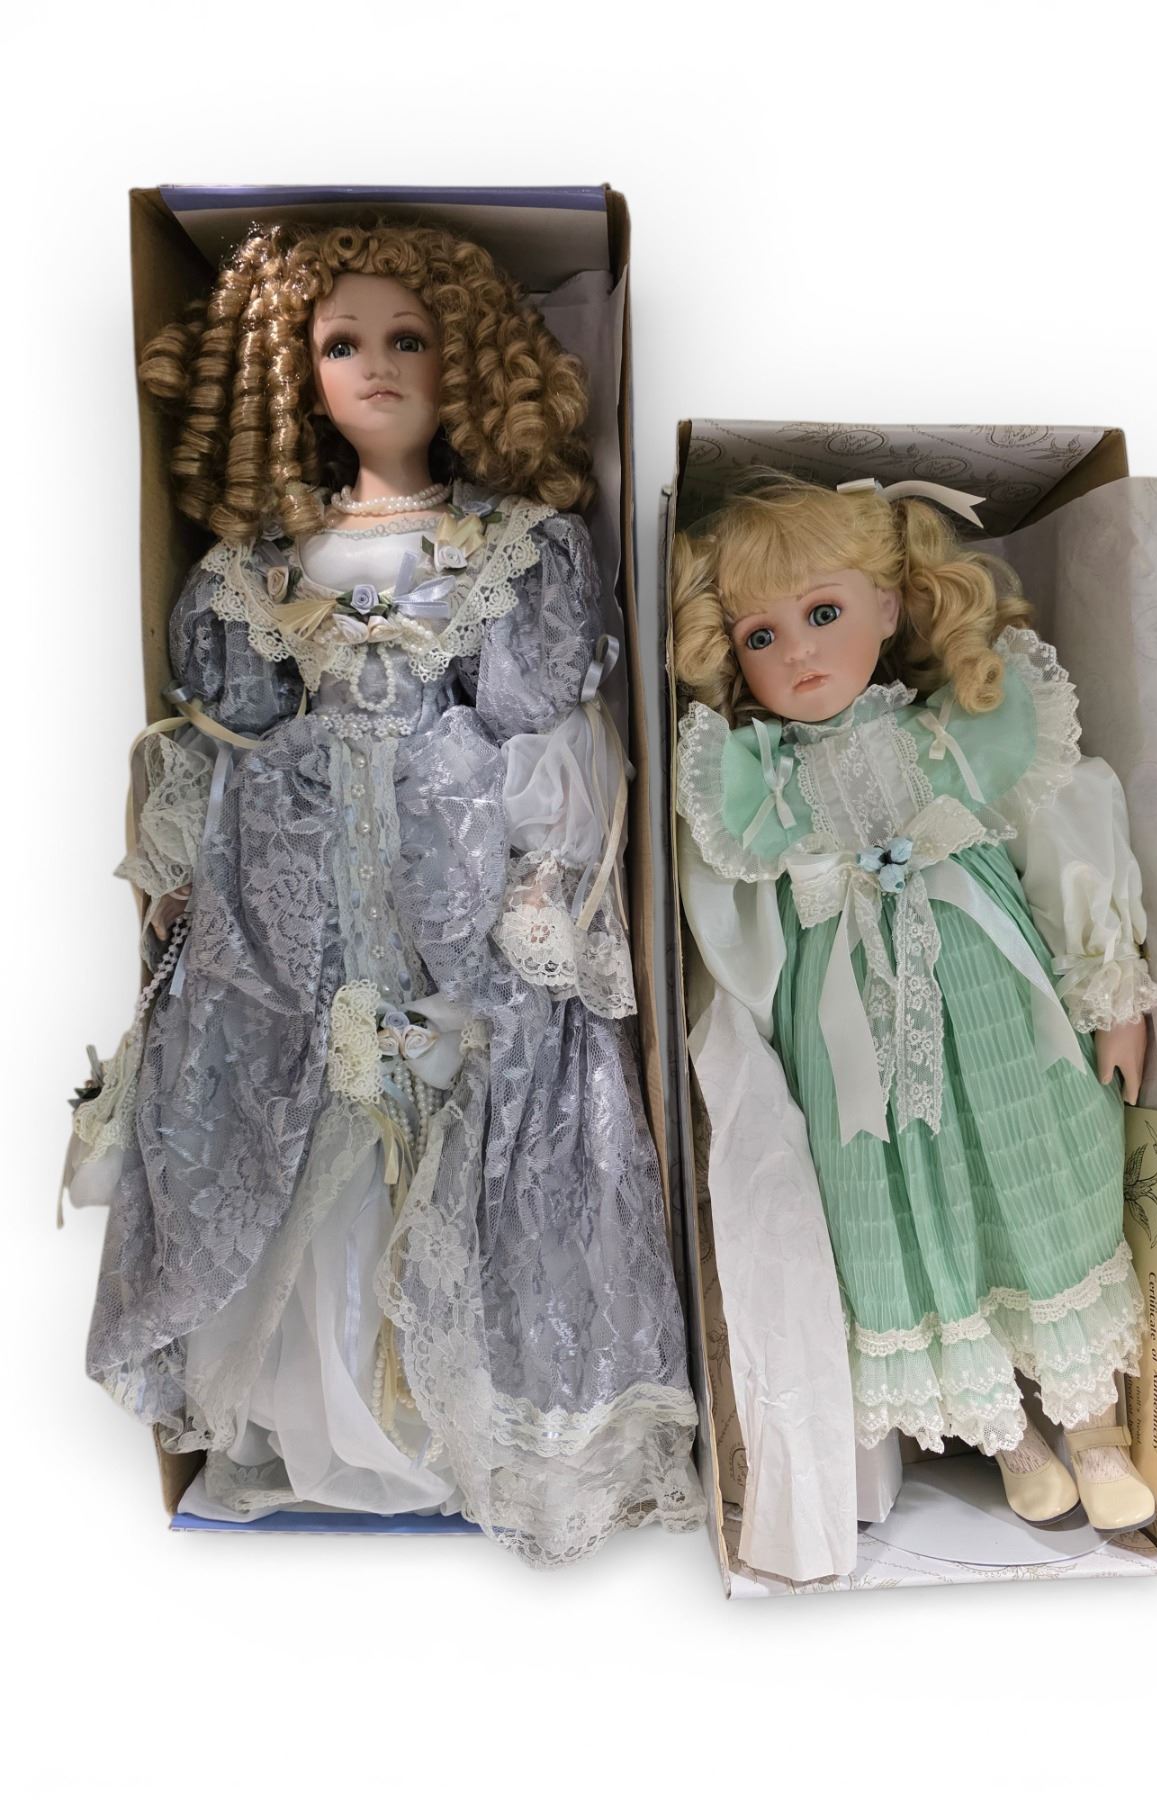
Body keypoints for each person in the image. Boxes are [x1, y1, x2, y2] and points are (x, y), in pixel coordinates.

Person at [66, 220, 700, 1566]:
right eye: (341, 344)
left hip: (457, 887)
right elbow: (220, 737)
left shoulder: (513, 549)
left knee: (470, 1102)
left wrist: (538, 879)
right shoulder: (255, 566)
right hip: (296, 895)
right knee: (308, 1108)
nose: (377, 366)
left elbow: (548, 735)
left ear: (468, 359)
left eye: (408, 338)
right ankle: (334, 1413)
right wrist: (184, 877)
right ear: (290, 375)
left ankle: (470, 1414)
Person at [672, 473, 1157, 1573]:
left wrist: (1110, 986)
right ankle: (1009, 1436)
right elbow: (736, 944)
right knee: (894, 1215)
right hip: (852, 1050)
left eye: (824, 612)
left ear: (889, 605)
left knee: (1047, 1169)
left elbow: (1065, 835)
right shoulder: (750, 787)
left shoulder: (962, 732)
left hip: (998, 1008)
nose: (800, 652)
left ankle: (1095, 1425)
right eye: (762, 635)